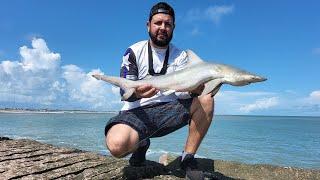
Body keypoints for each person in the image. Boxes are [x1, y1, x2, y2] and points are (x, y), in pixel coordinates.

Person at [104, 2, 214, 177]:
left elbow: (183, 93)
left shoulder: (181, 56)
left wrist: (197, 90)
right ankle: (141, 144)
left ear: (173, 27)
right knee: (117, 146)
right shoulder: (133, 51)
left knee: (206, 98)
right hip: (136, 112)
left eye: (168, 24)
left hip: (170, 110)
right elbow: (124, 92)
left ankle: (187, 158)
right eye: (158, 23)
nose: (163, 28)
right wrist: (137, 93)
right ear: (148, 25)